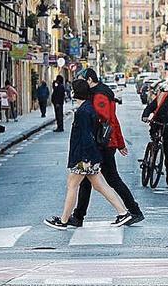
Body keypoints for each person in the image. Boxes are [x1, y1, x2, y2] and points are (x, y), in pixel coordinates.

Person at [44, 79, 135, 229]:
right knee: (101, 186)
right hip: (90, 156)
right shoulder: (88, 108)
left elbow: (86, 137)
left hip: (84, 157)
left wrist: (86, 158)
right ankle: (123, 213)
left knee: (72, 186)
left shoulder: (83, 112)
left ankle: (64, 220)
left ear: (74, 93)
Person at [69, 68, 143, 227]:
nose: (81, 84)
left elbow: (106, 120)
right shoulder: (99, 92)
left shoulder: (99, 95)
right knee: (87, 182)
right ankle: (78, 217)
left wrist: (118, 142)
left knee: (111, 180)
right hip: (101, 144)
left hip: (102, 145)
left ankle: (133, 211)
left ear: (89, 80)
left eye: (82, 80)